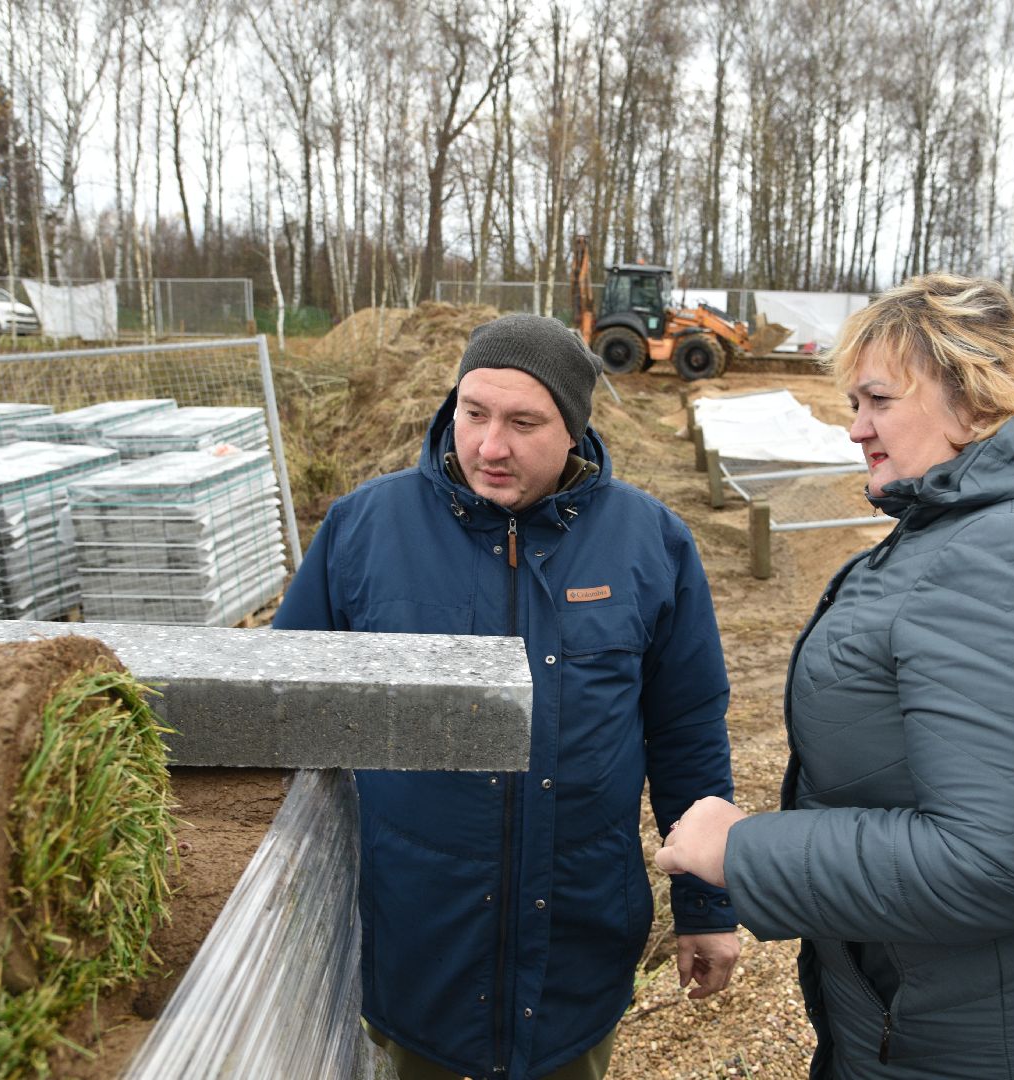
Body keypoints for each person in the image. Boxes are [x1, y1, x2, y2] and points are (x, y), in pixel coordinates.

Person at [657, 273, 1014, 1078]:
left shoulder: (1011, 557)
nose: (854, 429)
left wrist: (743, 850)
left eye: (876, 401)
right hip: (973, 1006)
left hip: (1010, 1030)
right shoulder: (978, 525)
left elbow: (994, 861)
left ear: (974, 402)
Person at [273, 313, 741, 1080]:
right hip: (420, 945)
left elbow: (686, 735)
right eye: (474, 413)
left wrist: (706, 908)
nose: (491, 446)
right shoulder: (365, 529)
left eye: (524, 422)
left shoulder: (651, 543)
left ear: (574, 429)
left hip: (576, 952)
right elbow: (287, 712)